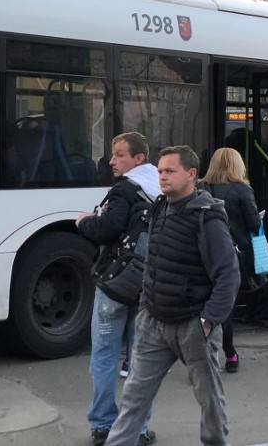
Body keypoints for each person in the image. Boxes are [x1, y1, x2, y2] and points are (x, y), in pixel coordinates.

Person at [104, 146, 239, 446]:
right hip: (154, 322)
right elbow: (152, 262)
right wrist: (144, 310)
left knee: (209, 401)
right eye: (160, 171)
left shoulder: (208, 218)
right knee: (134, 398)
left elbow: (228, 275)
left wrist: (208, 321)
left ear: (191, 175)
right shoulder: (159, 207)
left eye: (169, 171)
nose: (161, 177)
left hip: (193, 326)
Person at [75, 132, 161, 446]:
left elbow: (107, 228)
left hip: (114, 285)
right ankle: (137, 430)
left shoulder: (124, 188)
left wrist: (84, 221)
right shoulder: (162, 188)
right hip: (147, 287)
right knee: (141, 361)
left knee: (104, 356)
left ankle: (102, 426)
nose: (112, 161)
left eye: (120, 154)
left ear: (139, 158)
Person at [200, 147, 263, 374]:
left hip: (202, 254)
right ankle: (229, 354)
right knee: (225, 305)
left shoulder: (200, 187)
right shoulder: (242, 189)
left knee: (206, 301)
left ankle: (208, 352)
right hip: (232, 255)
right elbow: (254, 224)